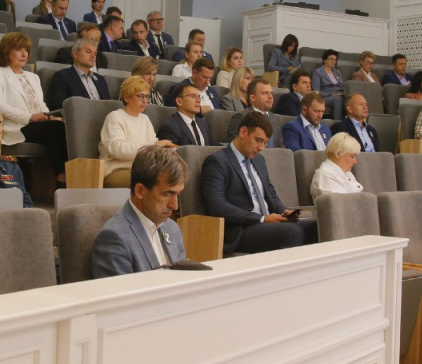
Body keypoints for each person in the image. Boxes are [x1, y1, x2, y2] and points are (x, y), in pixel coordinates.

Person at [202, 111, 317, 256]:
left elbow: (270, 194)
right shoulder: (217, 161)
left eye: (265, 143)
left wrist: (284, 212)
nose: (261, 148)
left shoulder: (259, 160)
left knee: (315, 227)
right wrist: (262, 219)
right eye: (258, 140)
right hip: (240, 229)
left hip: (266, 223)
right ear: (243, 132)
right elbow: (217, 206)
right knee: (291, 232)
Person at [91, 145, 189, 278]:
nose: (175, 205)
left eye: (177, 194)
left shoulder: (173, 229)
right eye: (167, 194)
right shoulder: (114, 238)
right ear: (140, 191)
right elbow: (123, 298)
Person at [0, 32, 68, 184]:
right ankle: (61, 178)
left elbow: (40, 104)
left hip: (37, 124)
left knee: (63, 125)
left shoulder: (33, 77)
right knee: (57, 129)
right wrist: (30, 117)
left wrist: (50, 116)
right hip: (17, 126)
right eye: (19, 49)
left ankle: (70, 178)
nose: (24, 54)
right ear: (7, 51)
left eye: (26, 50)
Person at [99, 76, 173, 188]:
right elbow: (117, 149)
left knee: (173, 176)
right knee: (152, 181)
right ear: (127, 98)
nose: (145, 101)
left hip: (142, 170)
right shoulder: (115, 117)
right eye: (140, 96)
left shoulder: (145, 119)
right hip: (116, 170)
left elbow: (153, 146)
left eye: (147, 96)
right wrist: (153, 146)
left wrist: (166, 148)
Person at [46, 38, 111, 111]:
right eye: (88, 52)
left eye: (95, 53)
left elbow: (109, 106)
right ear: (75, 54)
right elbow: (58, 106)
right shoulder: (62, 76)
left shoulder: (100, 80)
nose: (93, 56)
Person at [227, 78, 283, 147]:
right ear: (252, 98)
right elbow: (235, 146)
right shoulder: (241, 117)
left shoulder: (276, 119)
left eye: (271, 93)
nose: (270, 97)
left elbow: (280, 147)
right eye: (265, 93)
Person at [310, 133, 364, 200]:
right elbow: (340, 205)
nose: (355, 162)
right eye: (352, 156)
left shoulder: (345, 171)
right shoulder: (326, 174)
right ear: (338, 154)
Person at [311, 49, 345, 114]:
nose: (334, 61)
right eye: (331, 59)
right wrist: (331, 94)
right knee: (338, 100)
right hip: (325, 96)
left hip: (340, 94)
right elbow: (316, 92)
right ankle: (337, 122)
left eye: (335, 59)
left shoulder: (338, 72)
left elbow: (342, 86)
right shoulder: (317, 72)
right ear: (324, 60)